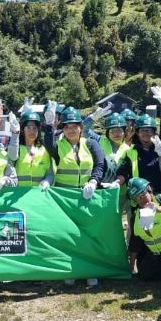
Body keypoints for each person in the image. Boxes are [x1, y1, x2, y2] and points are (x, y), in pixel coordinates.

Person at [43, 106, 106, 286]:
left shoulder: (91, 144)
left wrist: (94, 181)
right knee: (68, 235)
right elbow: (47, 143)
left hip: (87, 196)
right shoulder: (58, 146)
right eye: (67, 126)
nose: (71, 129)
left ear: (81, 127)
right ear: (63, 128)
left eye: (75, 125)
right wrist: (48, 125)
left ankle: (89, 271)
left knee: (88, 235)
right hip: (65, 198)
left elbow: (99, 165)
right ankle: (71, 270)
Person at [12, 110, 53, 188]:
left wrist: (47, 181)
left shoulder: (44, 150)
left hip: (38, 194)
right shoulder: (16, 149)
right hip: (17, 195)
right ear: (22, 130)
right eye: (28, 128)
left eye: (35, 128)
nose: (32, 131)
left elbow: (50, 174)